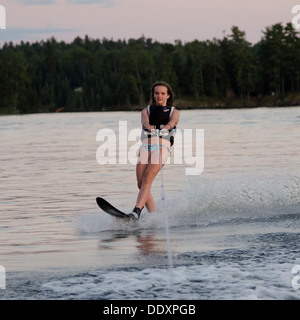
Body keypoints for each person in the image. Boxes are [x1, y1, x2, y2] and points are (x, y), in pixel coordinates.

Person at [127, 81, 180, 219]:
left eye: (163, 93)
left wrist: (167, 126)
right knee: (141, 183)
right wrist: (148, 126)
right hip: (146, 147)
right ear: (153, 95)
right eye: (156, 93)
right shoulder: (146, 111)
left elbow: (173, 122)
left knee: (147, 178)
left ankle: (136, 210)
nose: (159, 96)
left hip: (162, 147)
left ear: (168, 95)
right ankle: (154, 216)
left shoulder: (174, 112)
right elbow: (145, 122)